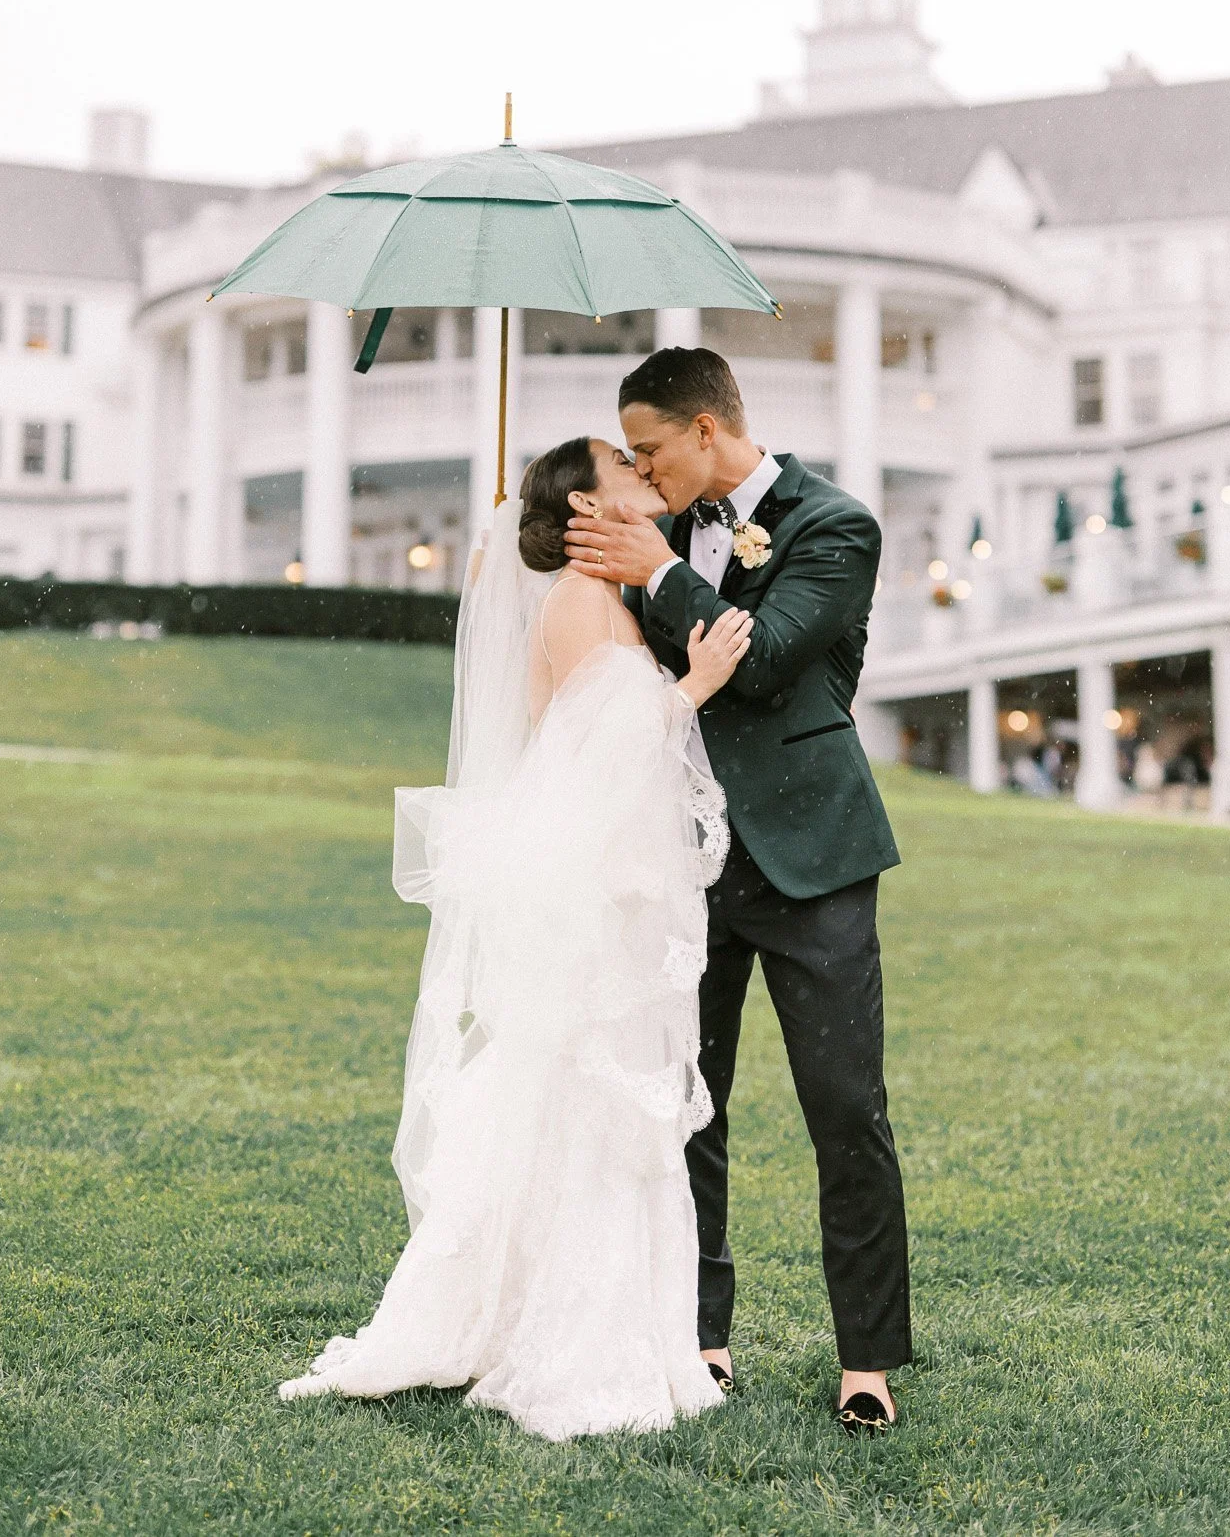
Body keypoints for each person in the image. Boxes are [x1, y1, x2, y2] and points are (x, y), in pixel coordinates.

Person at [279, 437, 753, 1440]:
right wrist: (696, 682)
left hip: (608, 887)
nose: (643, 476)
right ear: (585, 503)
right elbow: (604, 759)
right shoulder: (581, 603)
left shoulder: (608, 601)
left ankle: (567, 1316)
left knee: (581, 1101)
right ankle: (564, 1340)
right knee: (585, 1098)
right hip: (590, 893)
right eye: (624, 468)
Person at [565, 346, 911, 1437]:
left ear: (706, 431)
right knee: (687, 1109)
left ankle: (867, 1360)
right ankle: (698, 1337)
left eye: (652, 448)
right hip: (685, 855)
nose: (641, 468)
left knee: (845, 1110)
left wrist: (658, 576)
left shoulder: (834, 524)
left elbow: (759, 661)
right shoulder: (650, 529)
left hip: (813, 858)